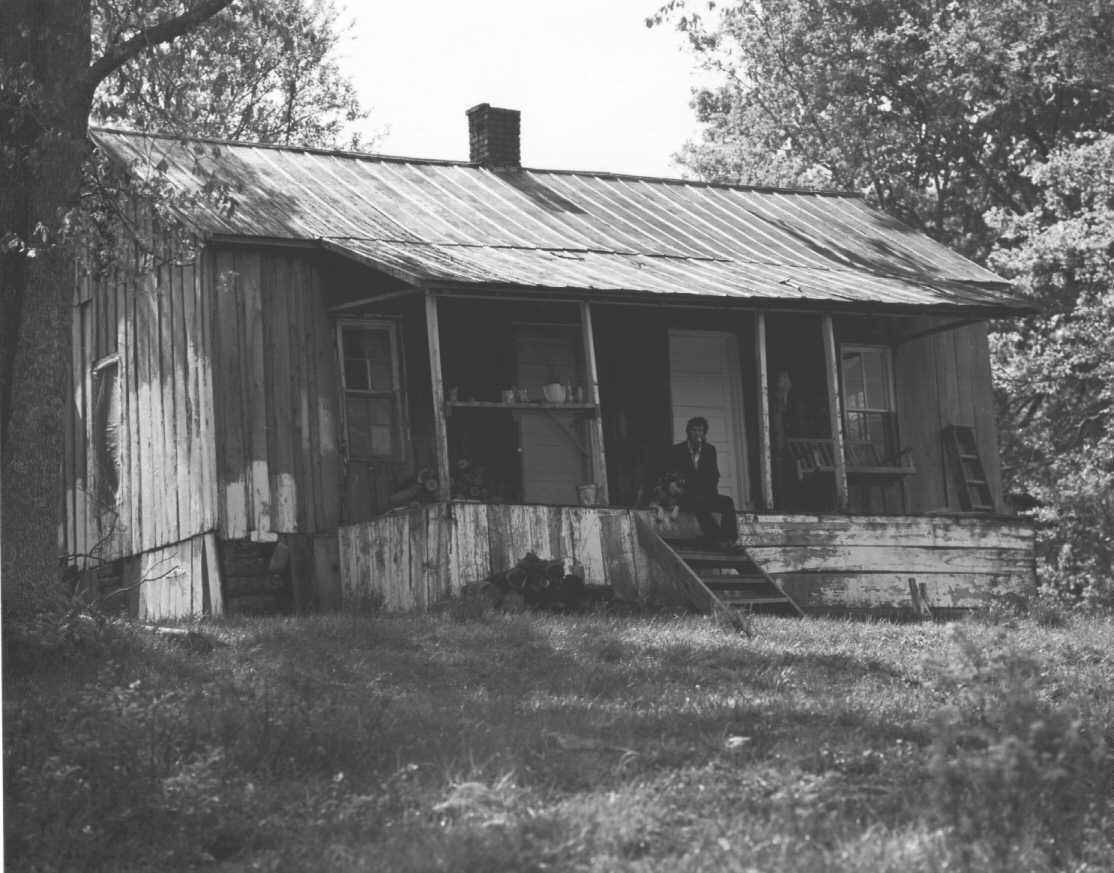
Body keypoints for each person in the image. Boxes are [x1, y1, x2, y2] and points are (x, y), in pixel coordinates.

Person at [666, 416, 742, 551]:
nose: (697, 434)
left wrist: (705, 490)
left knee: (727, 502)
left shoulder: (709, 450)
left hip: (705, 494)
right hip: (684, 496)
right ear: (688, 432)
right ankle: (719, 540)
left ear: (704, 433)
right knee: (699, 504)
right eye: (694, 430)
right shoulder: (677, 450)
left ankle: (730, 539)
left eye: (700, 430)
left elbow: (714, 475)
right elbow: (673, 475)